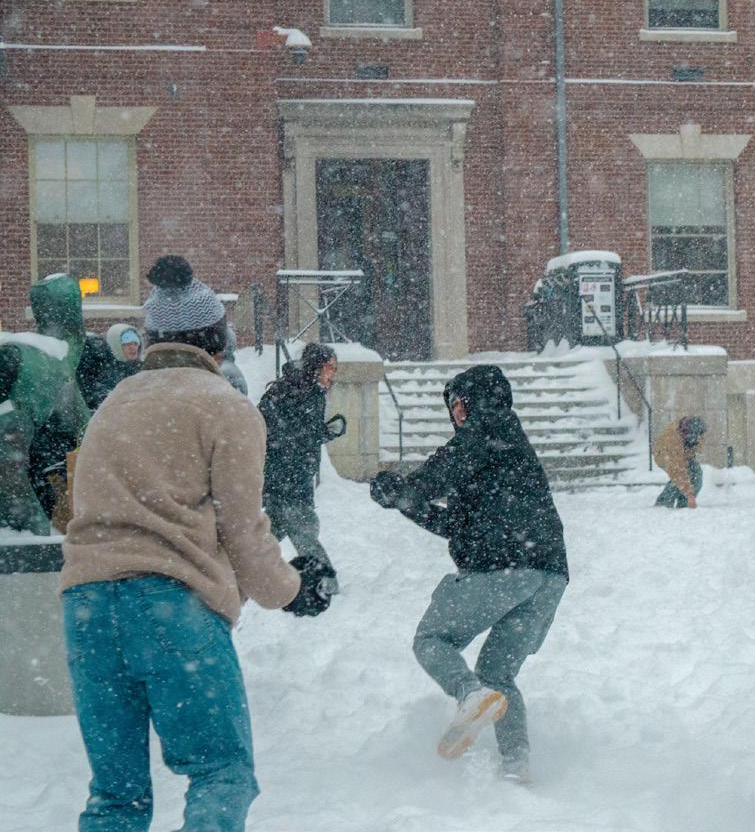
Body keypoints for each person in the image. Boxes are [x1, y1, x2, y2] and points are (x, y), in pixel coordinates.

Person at [60, 254, 333, 832]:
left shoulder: (112, 407)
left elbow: (81, 508)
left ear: (152, 340)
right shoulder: (225, 407)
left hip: (86, 605)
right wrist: (293, 589)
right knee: (222, 772)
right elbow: (242, 529)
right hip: (171, 603)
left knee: (116, 797)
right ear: (218, 339)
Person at [369, 364, 568, 784]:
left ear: (477, 402)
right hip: (548, 578)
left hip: (503, 567)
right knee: (498, 674)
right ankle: (516, 765)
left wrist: (403, 487)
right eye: (453, 408)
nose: (456, 414)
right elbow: (453, 524)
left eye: (459, 404)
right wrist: (404, 500)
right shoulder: (506, 448)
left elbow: (437, 475)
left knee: (432, 639)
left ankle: (469, 694)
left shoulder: (485, 431)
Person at [258, 343, 346, 594]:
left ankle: (237, 569)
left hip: (279, 473)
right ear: (317, 366)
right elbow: (297, 434)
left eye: (335, 368)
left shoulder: (290, 388)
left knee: (271, 532)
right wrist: (323, 433)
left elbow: (289, 430)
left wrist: (321, 433)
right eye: (330, 367)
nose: (333, 373)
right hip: (291, 475)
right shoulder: (307, 393)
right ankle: (326, 583)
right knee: (304, 529)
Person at [653, 416, 707, 508]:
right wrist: (690, 494)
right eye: (694, 436)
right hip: (665, 456)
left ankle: (684, 503)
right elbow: (677, 472)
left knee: (696, 474)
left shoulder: (693, 431)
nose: (697, 438)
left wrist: (694, 444)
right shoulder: (672, 441)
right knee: (678, 478)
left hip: (684, 454)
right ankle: (663, 503)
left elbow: (699, 447)